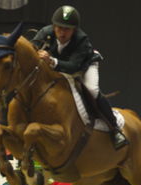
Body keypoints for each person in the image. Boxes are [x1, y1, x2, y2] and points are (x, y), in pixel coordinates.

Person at [31, 5, 128, 150]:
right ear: (53, 26)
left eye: (67, 29)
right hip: (58, 67)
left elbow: (73, 67)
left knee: (92, 89)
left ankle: (114, 129)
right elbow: (31, 49)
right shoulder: (45, 33)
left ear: (74, 30)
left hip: (84, 65)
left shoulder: (81, 39)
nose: (62, 32)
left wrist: (51, 60)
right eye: (59, 28)